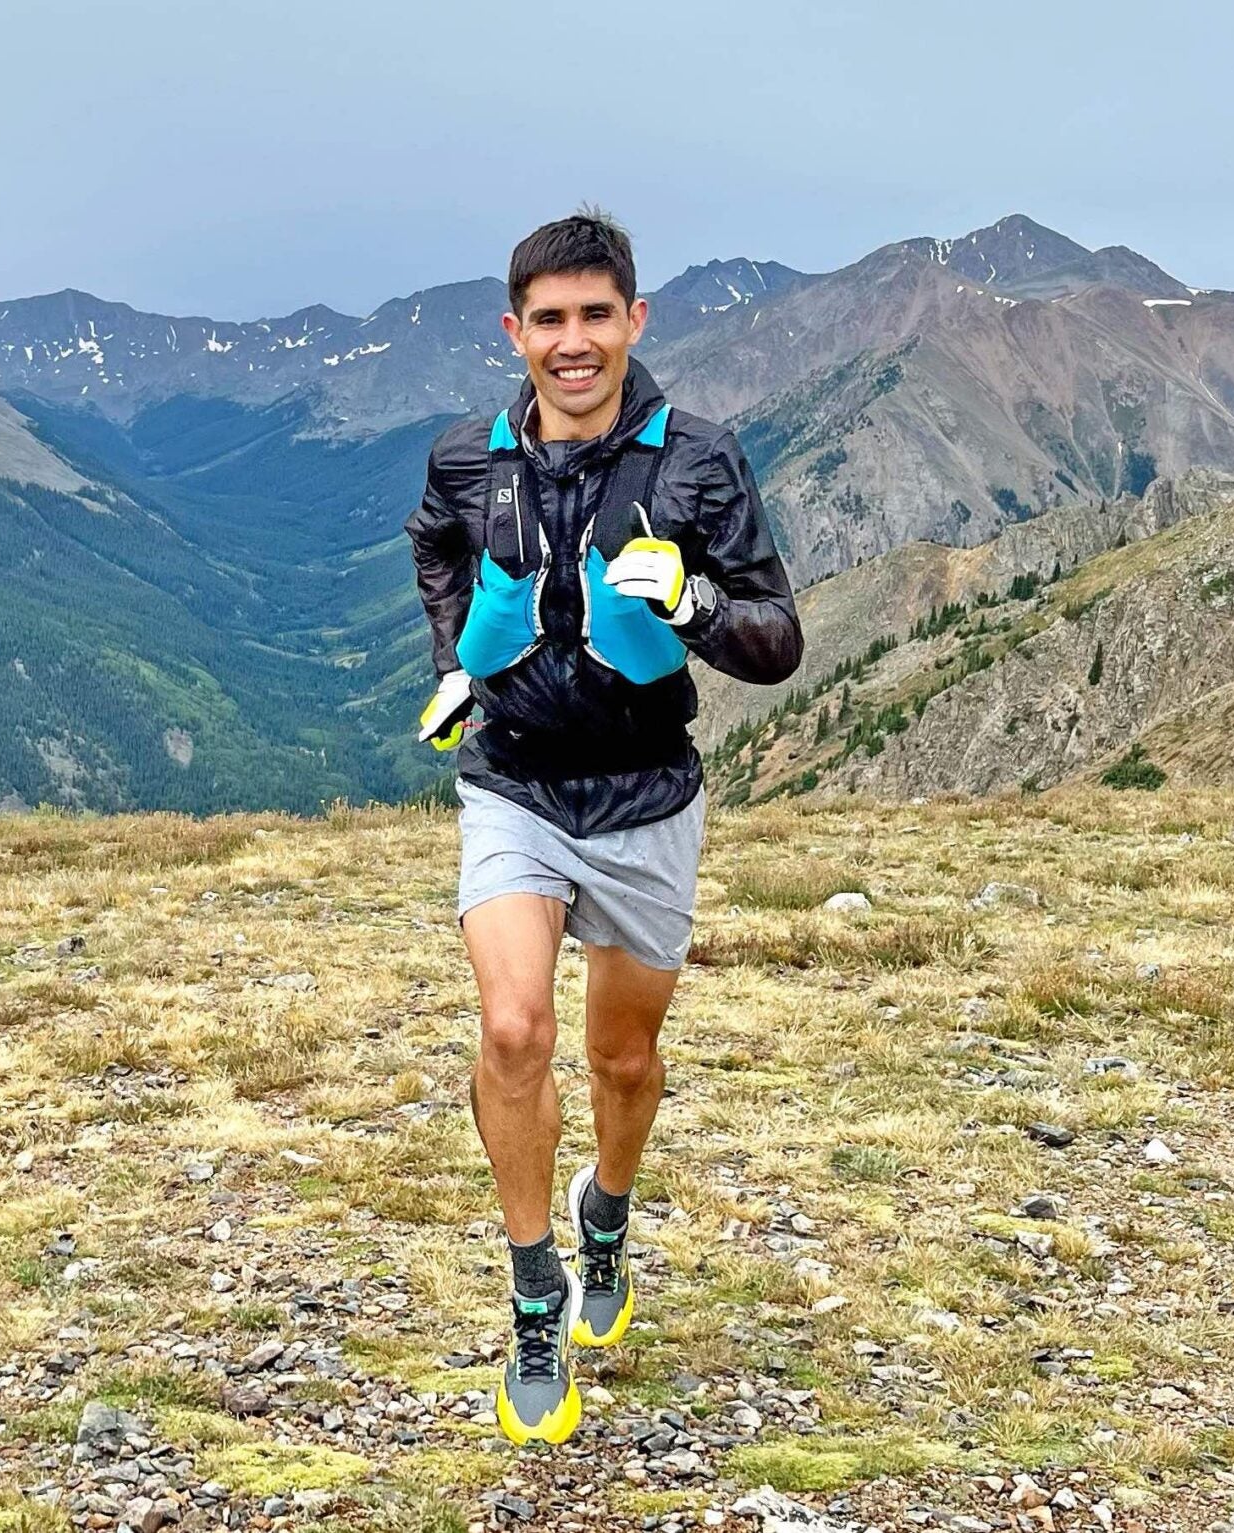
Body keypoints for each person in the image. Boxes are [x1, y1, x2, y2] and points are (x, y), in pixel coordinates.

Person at [406, 209, 804, 1445]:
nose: (571, 343)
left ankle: (607, 1213)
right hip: (511, 782)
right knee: (512, 1026)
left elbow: (777, 639)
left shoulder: (697, 459)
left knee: (621, 1064)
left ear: (633, 321)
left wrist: (688, 605)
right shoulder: (464, 461)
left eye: (594, 316)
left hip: (645, 795)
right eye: (547, 320)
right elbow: (435, 546)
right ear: (513, 332)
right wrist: (462, 661)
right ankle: (535, 1293)